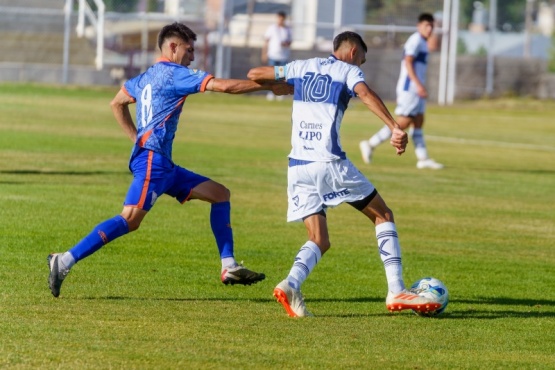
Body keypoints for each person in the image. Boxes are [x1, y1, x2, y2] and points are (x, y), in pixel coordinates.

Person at [47, 22, 290, 298]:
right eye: (189, 49)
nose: (193, 57)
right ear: (173, 47)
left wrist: (138, 140)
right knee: (130, 219)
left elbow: (116, 102)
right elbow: (223, 86)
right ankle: (64, 260)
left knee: (220, 194)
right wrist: (268, 86)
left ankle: (228, 265)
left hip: (163, 164)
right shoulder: (175, 74)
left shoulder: (146, 76)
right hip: (154, 163)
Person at [247, 31, 442, 317]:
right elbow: (365, 94)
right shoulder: (347, 70)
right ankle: (396, 290)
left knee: (319, 239)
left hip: (298, 166)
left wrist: (286, 83)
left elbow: (255, 73)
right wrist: (394, 127)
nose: (361, 66)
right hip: (329, 163)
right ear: (352, 53)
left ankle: (291, 283)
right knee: (383, 215)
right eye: (362, 59)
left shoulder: (302, 67)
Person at [359, 13, 443, 170]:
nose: (430, 29)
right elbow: (408, 62)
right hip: (410, 89)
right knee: (403, 122)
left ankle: (423, 158)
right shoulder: (416, 40)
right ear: (419, 26)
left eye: (432, 26)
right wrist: (418, 85)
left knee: (418, 120)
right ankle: (370, 143)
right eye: (427, 25)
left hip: (416, 90)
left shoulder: (423, 42)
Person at [261, 11, 292, 101]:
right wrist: (264, 53)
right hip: (273, 55)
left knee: (281, 76)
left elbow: (290, 42)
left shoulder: (288, 29)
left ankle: (280, 92)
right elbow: (266, 41)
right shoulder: (272, 28)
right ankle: (271, 92)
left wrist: (285, 44)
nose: (280, 21)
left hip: (283, 56)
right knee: (272, 75)